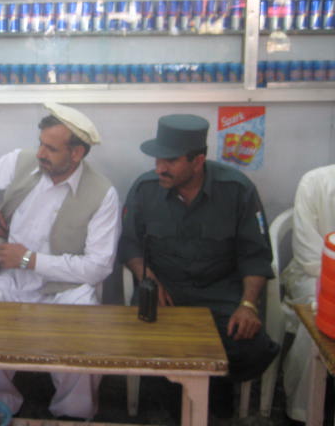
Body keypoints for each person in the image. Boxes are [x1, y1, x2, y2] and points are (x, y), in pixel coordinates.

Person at [118, 114, 279, 419]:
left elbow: (256, 255)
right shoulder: (145, 189)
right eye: (157, 159)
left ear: (198, 161)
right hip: (165, 294)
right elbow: (129, 245)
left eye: (170, 161)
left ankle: (212, 402)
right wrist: (147, 278)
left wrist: (248, 304)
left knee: (251, 346)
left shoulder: (237, 190)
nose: (159, 168)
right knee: (145, 342)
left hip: (221, 295)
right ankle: (172, 408)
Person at [0, 103, 121, 420]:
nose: (40, 153)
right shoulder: (24, 162)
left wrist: (31, 260)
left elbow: (98, 266)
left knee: (85, 338)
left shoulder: (103, 194)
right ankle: (1, 404)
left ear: (76, 154)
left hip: (65, 288)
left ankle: (72, 414)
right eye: (40, 143)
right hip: (10, 278)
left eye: (50, 148)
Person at [281, 164, 335, 423]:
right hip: (314, 275)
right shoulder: (315, 182)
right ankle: (304, 409)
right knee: (316, 316)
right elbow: (309, 256)